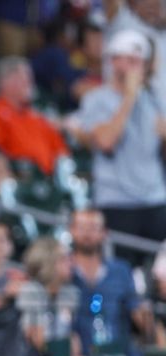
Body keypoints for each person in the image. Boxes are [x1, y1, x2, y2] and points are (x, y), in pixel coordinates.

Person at [75, 29, 166, 265]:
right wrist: (129, 97)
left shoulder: (153, 99)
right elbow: (106, 141)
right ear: (114, 61)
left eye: (140, 63)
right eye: (132, 61)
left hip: (155, 198)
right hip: (117, 202)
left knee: (159, 275)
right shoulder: (96, 99)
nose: (138, 68)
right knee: (120, 274)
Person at [69, 209, 153, 356]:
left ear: (104, 233)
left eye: (93, 227)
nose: (87, 233)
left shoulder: (120, 270)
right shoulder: (63, 271)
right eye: (81, 227)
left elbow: (138, 311)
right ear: (71, 230)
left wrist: (145, 315)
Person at [0, 56, 69, 176]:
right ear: (4, 81)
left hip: (49, 179)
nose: (29, 83)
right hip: (17, 177)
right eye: (22, 78)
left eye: (29, 78)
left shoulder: (37, 116)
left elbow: (61, 151)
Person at [17, 237, 81, 356]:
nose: (71, 263)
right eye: (64, 259)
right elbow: (36, 338)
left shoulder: (70, 293)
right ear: (49, 262)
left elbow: (74, 339)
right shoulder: (30, 291)